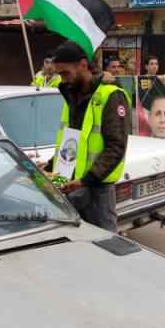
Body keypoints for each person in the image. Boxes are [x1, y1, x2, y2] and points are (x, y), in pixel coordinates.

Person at [48, 41, 131, 232]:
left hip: (98, 191)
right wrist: (49, 166)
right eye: (60, 74)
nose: (63, 79)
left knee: (104, 247)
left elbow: (116, 146)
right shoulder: (71, 95)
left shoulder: (110, 95)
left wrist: (87, 180)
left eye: (65, 73)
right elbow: (73, 141)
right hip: (72, 186)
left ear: (83, 65)